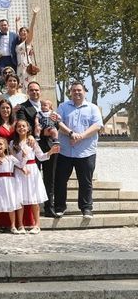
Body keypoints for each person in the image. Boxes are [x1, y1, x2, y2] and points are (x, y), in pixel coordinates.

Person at [53, 82, 103, 219]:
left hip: (86, 151)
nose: (77, 93)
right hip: (65, 151)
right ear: (70, 92)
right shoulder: (63, 106)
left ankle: (86, 208)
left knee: (85, 181)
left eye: (79, 90)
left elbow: (97, 125)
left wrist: (81, 136)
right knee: (60, 180)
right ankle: (59, 207)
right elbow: (58, 122)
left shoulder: (93, 108)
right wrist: (70, 133)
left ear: (85, 92)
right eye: (74, 90)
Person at [10, 120, 60, 234]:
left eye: (24, 126)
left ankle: (37, 225)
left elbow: (41, 157)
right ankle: (20, 225)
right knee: (20, 199)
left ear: (28, 129)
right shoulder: (13, 143)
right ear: (16, 129)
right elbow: (13, 160)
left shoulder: (32, 141)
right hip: (20, 171)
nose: (21, 128)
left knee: (34, 199)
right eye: (19, 126)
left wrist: (50, 152)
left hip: (32, 170)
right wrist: (21, 166)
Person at [15, 81, 57, 217]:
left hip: (49, 146)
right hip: (32, 147)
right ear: (28, 92)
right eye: (32, 90)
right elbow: (23, 125)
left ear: (40, 91)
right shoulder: (22, 107)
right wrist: (40, 132)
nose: (35, 92)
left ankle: (49, 208)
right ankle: (34, 211)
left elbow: (55, 123)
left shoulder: (47, 106)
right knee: (33, 179)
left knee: (50, 178)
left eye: (37, 90)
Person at [15, 6, 40, 89]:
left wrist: (34, 15)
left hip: (26, 66)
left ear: (28, 33)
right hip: (19, 66)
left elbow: (31, 28)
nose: (23, 33)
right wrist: (17, 22)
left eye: (25, 31)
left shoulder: (28, 42)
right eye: (22, 32)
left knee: (28, 85)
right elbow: (18, 31)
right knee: (20, 86)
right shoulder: (19, 43)